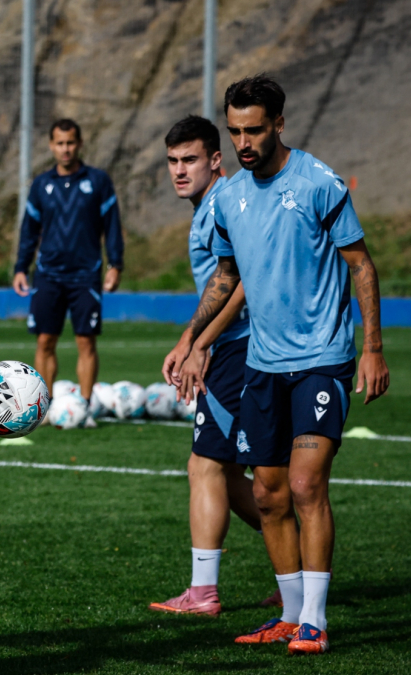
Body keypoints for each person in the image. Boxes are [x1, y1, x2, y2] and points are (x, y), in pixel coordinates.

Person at [165, 75, 389, 655]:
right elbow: (226, 277)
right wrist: (192, 339)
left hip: (323, 359)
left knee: (305, 483)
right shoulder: (231, 199)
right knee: (266, 495)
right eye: (235, 129)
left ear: (279, 124)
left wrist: (373, 348)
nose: (243, 141)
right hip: (262, 364)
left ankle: (315, 618)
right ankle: (289, 614)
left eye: (255, 129)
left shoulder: (318, 182)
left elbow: (360, 264)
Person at [153, 115, 274, 617]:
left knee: (206, 465)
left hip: (239, 348)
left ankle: (203, 593)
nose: (180, 171)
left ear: (215, 160)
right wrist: (192, 339)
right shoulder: (208, 206)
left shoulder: (226, 202)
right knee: (228, 472)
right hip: (231, 346)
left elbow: (241, 280)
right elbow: (218, 286)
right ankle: (298, 565)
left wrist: (199, 343)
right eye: (173, 162)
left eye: (191, 160)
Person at [12, 119, 124, 426]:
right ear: (51, 146)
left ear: (80, 143)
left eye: (71, 142)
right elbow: (29, 230)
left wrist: (116, 264)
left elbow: (112, 226)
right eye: (60, 143)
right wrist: (21, 267)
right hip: (47, 274)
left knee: (86, 341)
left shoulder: (98, 182)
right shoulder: (40, 185)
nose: (65, 149)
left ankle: (84, 407)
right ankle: (43, 408)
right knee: (45, 341)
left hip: (86, 274)